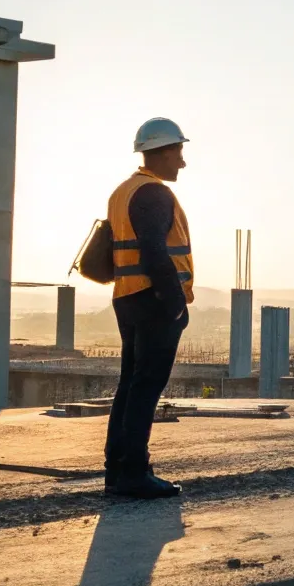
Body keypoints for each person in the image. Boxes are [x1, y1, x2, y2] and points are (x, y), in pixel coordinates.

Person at [102, 117, 196, 498]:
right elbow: (155, 251)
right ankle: (134, 472)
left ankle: (117, 469)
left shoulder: (122, 192)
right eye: (179, 152)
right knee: (145, 386)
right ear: (163, 152)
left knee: (131, 383)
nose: (183, 162)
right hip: (153, 300)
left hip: (128, 296)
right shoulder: (154, 194)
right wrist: (175, 306)